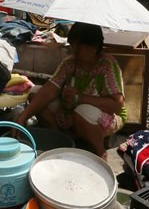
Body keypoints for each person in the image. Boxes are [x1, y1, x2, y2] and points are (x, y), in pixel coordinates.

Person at [15, 22, 125, 157]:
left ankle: (100, 151)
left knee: (83, 110)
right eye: (72, 48)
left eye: (79, 49)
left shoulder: (108, 65)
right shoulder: (70, 62)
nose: (74, 53)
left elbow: (116, 105)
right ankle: (62, 141)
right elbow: (49, 89)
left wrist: (80, 98)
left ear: (95, 47)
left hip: (102, 116)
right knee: (35, 93)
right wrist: (23, 116)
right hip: (71, 111)